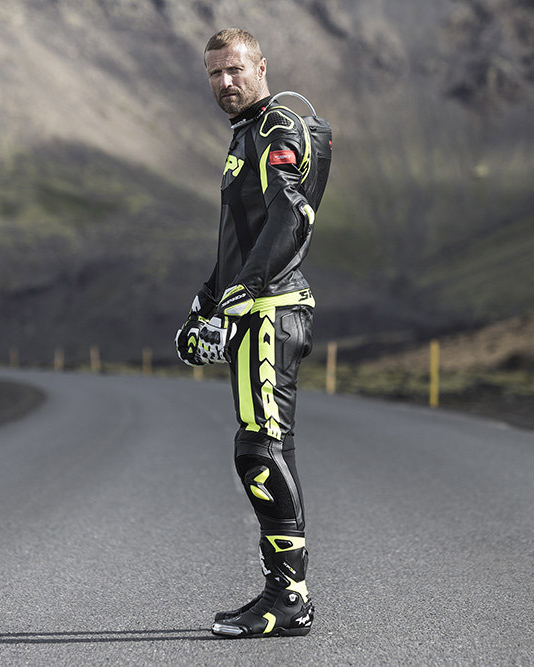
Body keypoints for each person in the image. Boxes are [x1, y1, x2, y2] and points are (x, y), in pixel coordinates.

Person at [174, 27, 331, 639]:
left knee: (259, 450)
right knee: (268, 447)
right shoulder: (246, 134)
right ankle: (283, 595)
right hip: (256, 306)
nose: (225, 82)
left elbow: (292, 214)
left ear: (261, 67)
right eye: (214, 73)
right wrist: (205, 303)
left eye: (235, 69)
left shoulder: (276, 129)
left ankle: (289, 599)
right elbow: (241, 236)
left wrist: (242, 294)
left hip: (271, 310)